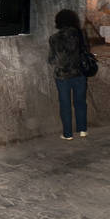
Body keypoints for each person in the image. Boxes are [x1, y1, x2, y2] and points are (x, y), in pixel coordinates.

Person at [47, 7, 92, 140]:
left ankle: (68, 134)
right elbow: (86, 51)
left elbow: (51, 60)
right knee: (80, 102)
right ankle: (82, 130)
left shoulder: (54, 38)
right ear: (73, 20)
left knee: (65, 104)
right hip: (79, 74)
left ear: (58, 22)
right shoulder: (80, 34)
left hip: (62, 76)